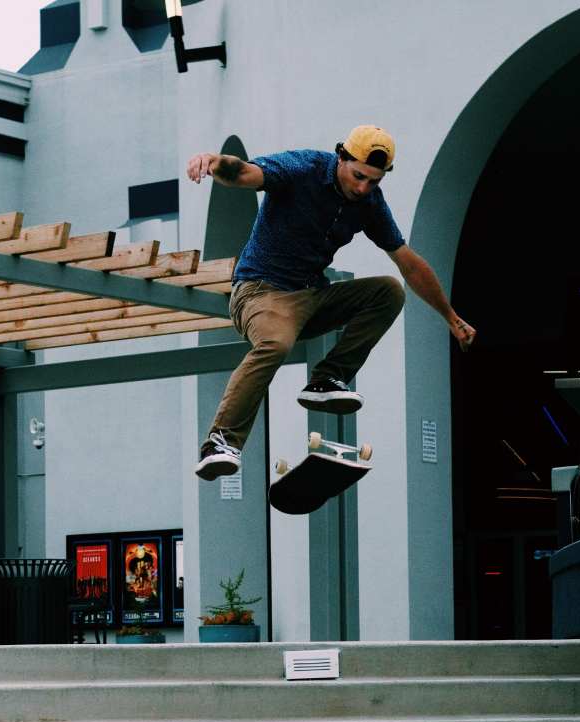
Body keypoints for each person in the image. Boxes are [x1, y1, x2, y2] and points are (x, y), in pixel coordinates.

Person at [187, 125, 476, 480]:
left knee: (388, 290)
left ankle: (327, 380)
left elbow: (408, 264)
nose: (362, 188)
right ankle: (220, 442)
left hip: (313, 296)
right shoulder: (304, 167)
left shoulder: (370, 203)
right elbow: (247, 171)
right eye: (358, 176)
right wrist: (213, 162)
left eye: (373, 181)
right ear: (341, 157)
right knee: (275, 344)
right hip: (261, 292)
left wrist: (449, 316)